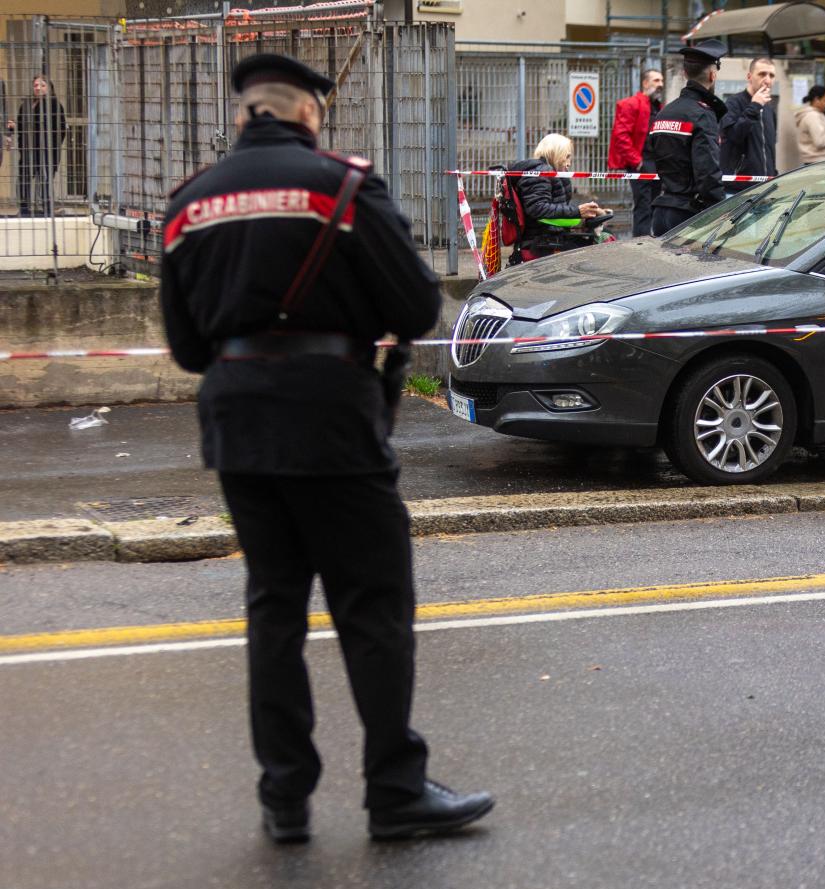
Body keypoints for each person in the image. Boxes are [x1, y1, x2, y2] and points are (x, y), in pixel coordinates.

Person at [159, 53, 493, 845]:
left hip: (238, 422)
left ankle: (284, 799)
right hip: (333, 419)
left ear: (246, 113)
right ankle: (394, 791)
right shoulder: (341, 188)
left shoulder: (187, 204)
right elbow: (413, 305)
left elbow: (183, 345)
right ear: (310, 113)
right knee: (372, 607)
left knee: (274, 607)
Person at [643, 39, 728, 237]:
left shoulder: (665, 113)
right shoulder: (703, 115)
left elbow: (653, 159)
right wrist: (723, 210)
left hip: (662, 212)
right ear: (713, 75)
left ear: (684, 73)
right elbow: (707, 173)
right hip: (691, 217)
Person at [510, 133, 608, 263]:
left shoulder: (546, 172)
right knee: (606, 244)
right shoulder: (540, 173)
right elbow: (537, 208)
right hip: (542, 244)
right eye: (566, 157)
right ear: (555, 153)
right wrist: (577, 212)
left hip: (550, 239)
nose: (569, 163)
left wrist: (585, 216)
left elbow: (554, 213)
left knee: (605, 239)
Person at [607, 68, 663, 238]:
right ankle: (641, 241)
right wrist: (636, 160)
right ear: (645, 83)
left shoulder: (659, 107)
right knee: (643, 205)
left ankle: (649, 239)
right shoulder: (631, 104)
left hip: (656, 163)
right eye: (656, 81)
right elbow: (620, 135)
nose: (660, 84)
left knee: (654, 203)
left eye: (661, 81)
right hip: (641, 162)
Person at [719, 57, 778, 191]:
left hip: (765, 188)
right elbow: (733, 137)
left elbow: (770, 148)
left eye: (771, 75)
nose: (767, 80)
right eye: (762, 74)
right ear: (749, 77)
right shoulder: (733, 104)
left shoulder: (769, 109)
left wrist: (773, 175)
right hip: (738, 190)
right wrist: (754, 106)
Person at [13, 75, 66, 217]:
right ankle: (24, 209)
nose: (38, 88)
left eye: (42, 85)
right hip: (27, 150)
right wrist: (20, 144)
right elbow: (20, 127)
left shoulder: (54, 104)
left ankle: (48, 209)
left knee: (45, 179)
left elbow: (61, 130)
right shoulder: (26, 104)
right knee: (24, 178)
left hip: (47, 150)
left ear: (49, 88)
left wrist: (52, 146)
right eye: (36, 85)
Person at [794, 85, 825, 164]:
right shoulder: (812, 116)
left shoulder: (817, 113)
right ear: (817, 99)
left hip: (819, 161)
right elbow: (820, 142)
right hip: (817, 162)